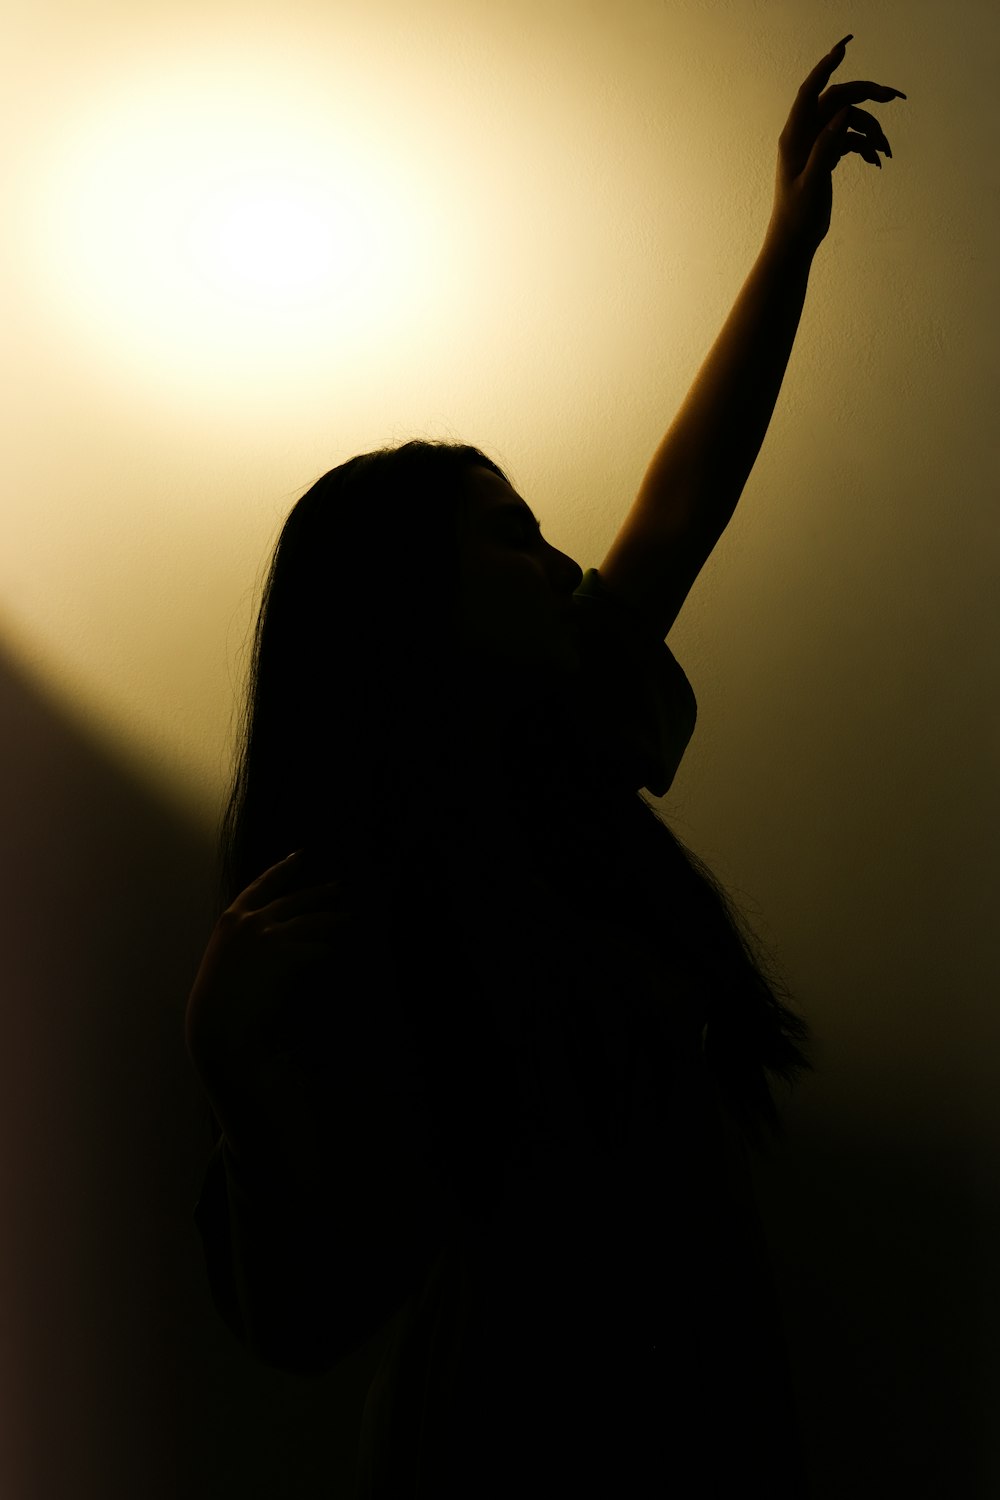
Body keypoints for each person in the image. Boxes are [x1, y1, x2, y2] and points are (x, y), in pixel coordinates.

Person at [185, 37, 906, 1498]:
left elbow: (677, 504)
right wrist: (238, 1064)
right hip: (519, 1438)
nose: (566, 552)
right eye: (509, 535)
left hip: (699, 1408)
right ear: (417, 612)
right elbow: (304, 1320)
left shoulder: (558, 770)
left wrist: (791, 236)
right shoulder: (340, 910)